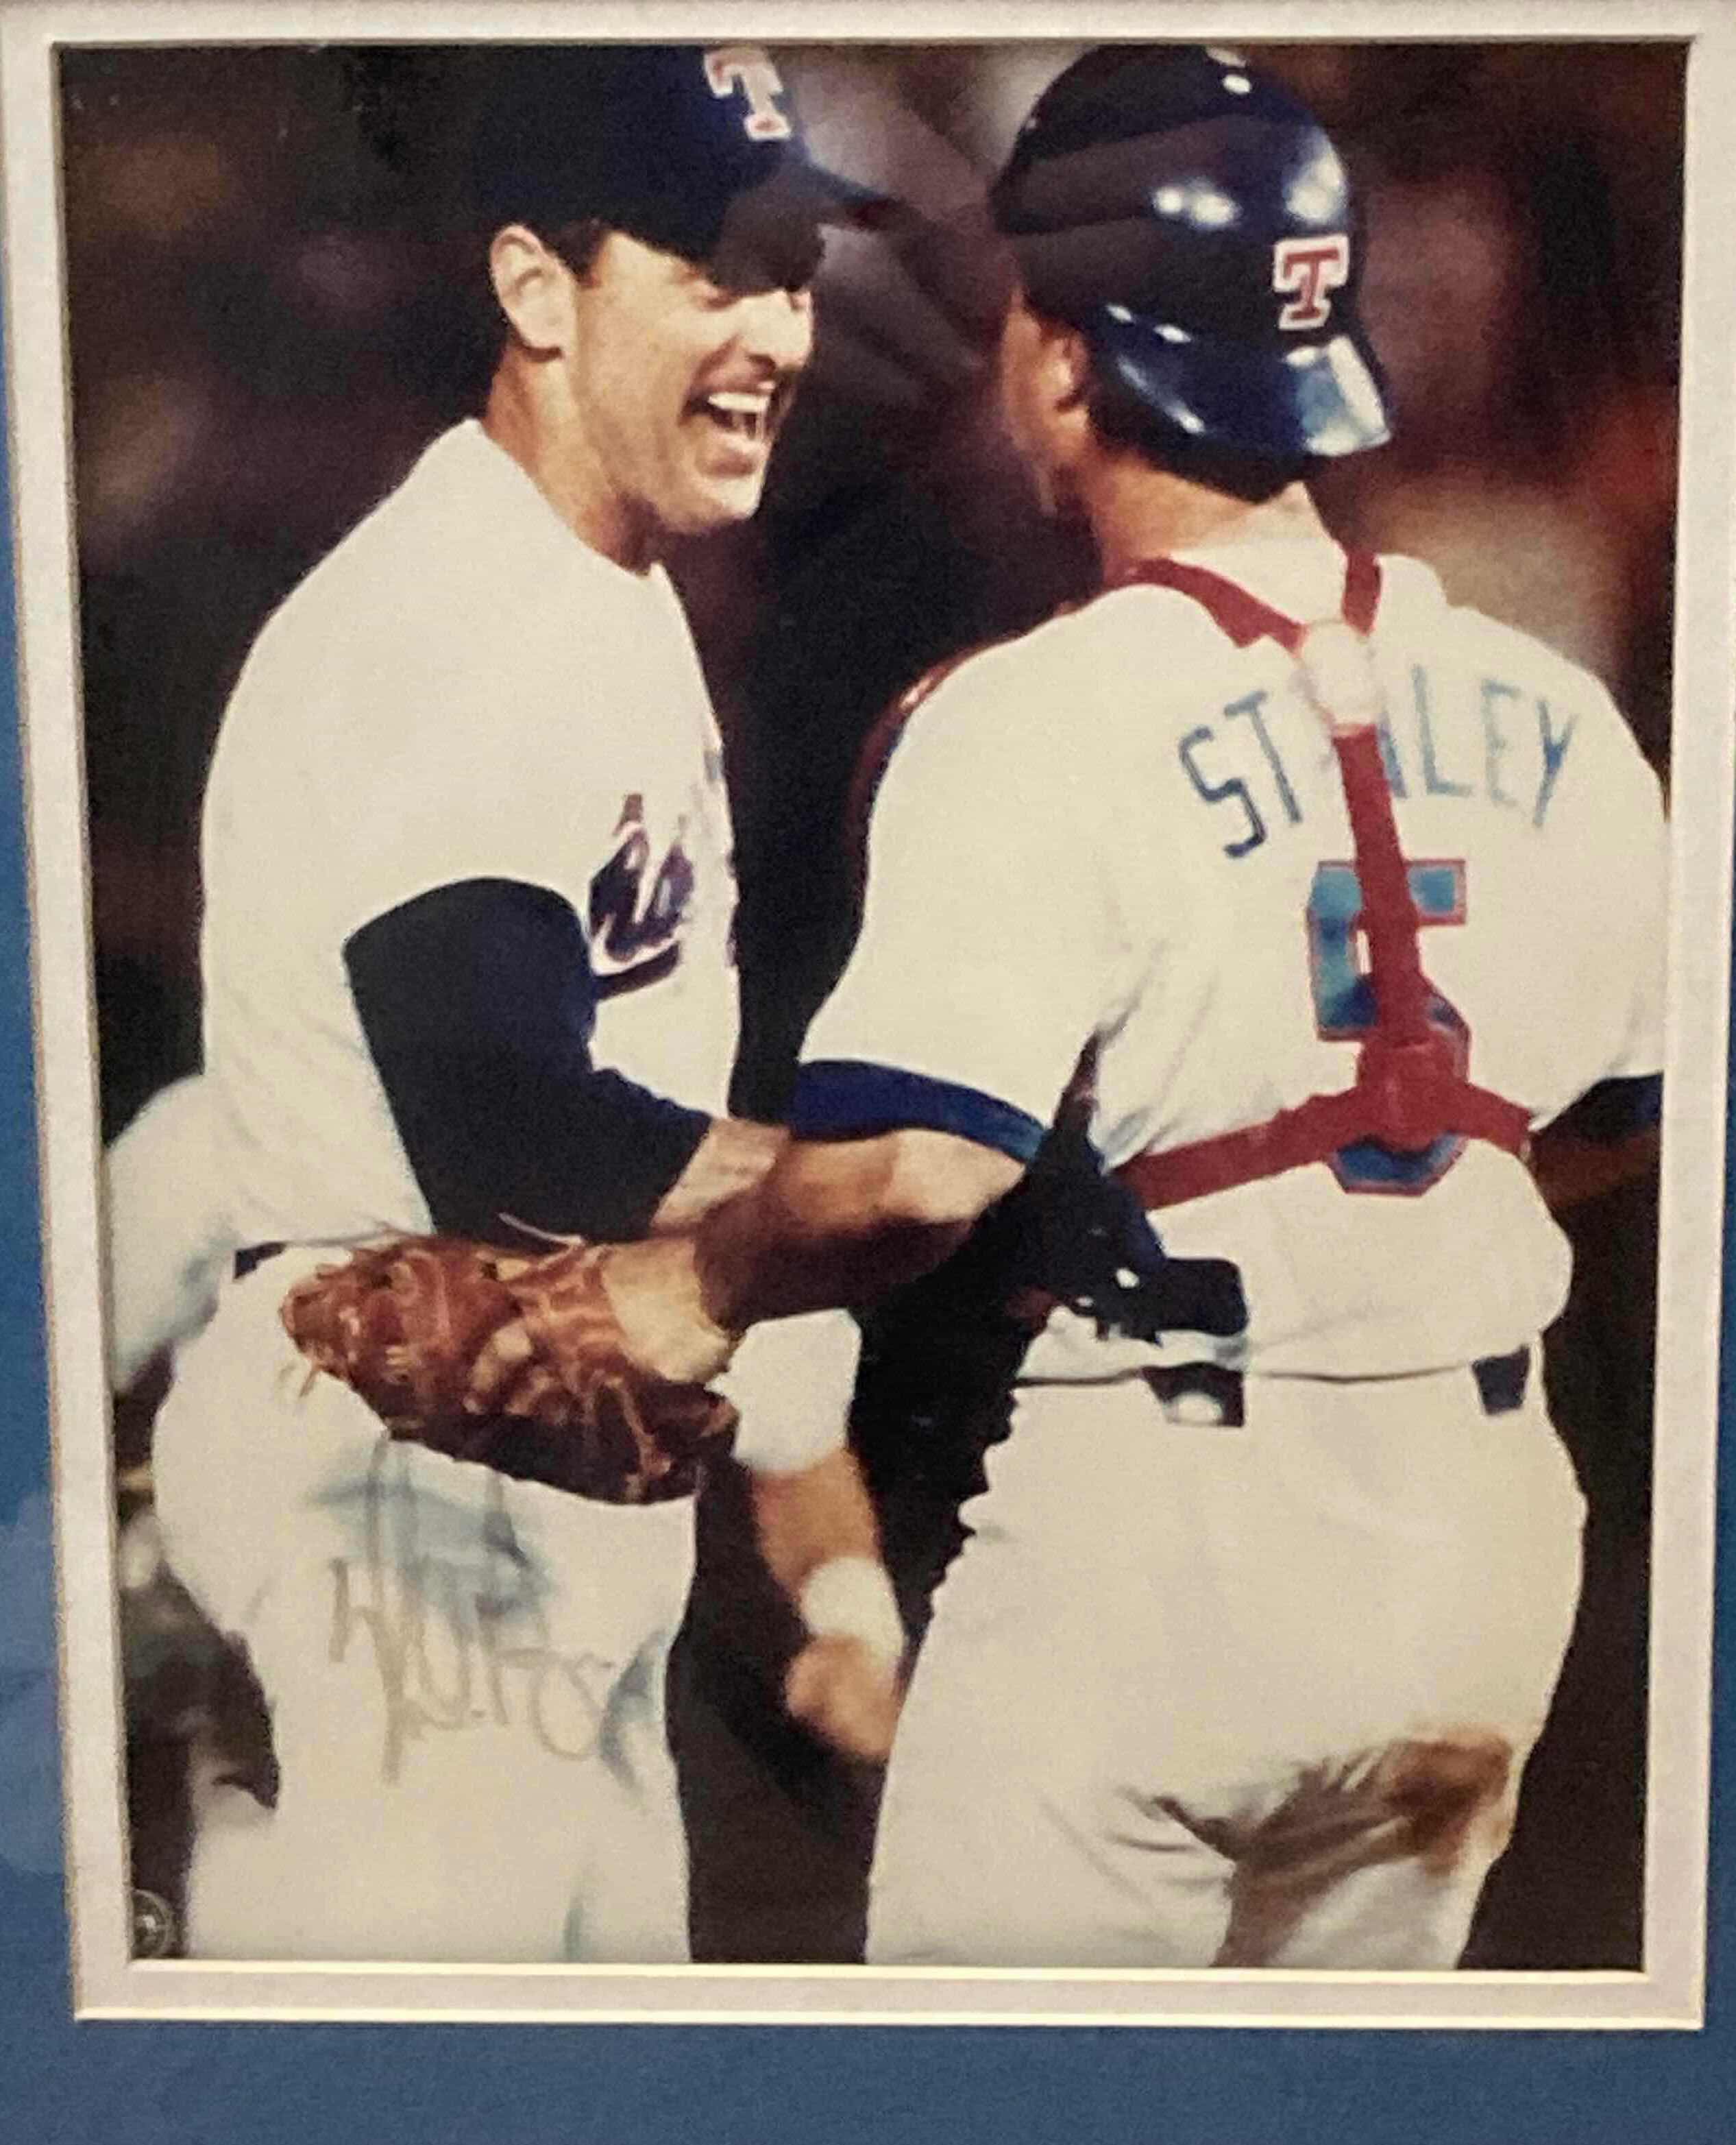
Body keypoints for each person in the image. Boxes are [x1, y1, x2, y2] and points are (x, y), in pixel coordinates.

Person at [594, 43, 1667, 1972]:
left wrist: (684, 1286)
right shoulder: (1562, 715)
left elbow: (908, 1173)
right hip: (1486, 1539)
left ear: (1069, 365)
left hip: (1168, 1531)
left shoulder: (1036, 712)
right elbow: (1622, 1117)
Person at [148, 44, 904, 1963]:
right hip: (399, 1470)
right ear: (537, 293)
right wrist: (872, 1185)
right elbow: (505, 1114)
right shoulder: (447, 618)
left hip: (525, 1488)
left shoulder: (604, 592)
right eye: (714, 271)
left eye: (795, 272)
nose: (776, 330)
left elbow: (634, 1116)